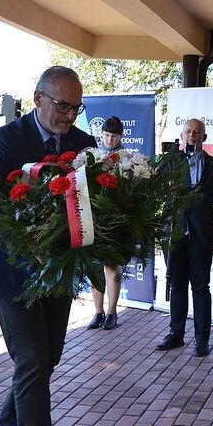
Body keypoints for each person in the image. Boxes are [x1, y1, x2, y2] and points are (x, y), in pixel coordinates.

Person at [0, 66, 96, 426]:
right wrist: (25, 244)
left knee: (46, 357)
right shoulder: (7, 140)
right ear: (38, 98)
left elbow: (94, 204)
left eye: (76, 107)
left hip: (57, 271)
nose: (69, 115)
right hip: (11, 272)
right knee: (34, 359)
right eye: (62, 105)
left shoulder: (83, 144)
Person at [155, 118, 213, 357]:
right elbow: (156, 190)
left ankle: (201, 339)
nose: (192, 135)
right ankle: (176, 334)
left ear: (203, 138)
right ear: (182, 135)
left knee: (200, 287)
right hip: (175, 233)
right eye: (188, 131)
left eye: (197, 132)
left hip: (203, 236)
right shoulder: (170, 162)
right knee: (177, 285)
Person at [87, 116, 126, 330]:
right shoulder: (93, 156)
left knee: (112, 266)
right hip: (94, 216)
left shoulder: (127, 157)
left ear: (121, 136)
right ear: (101, 134)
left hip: (116, 217)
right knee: (94, 266)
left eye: (114, 136)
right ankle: (98, 311)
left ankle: (112, 312)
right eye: (107, 135)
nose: (110, 140)